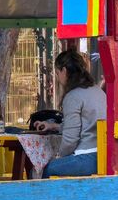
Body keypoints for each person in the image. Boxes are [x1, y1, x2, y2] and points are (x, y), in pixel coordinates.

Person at [36, 49, 106, 178]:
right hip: (105, 156)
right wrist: (53, 126)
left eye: (57, 73)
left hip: (87, 157)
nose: (58, 78)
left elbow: (70, 140)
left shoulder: (73, 96)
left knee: (48, 169)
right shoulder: (98, 91)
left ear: (64, 70)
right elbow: (83, 124)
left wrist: (60, 156)